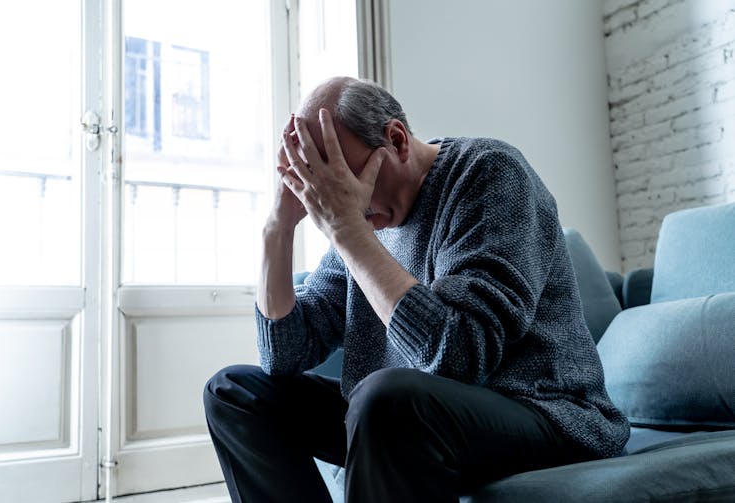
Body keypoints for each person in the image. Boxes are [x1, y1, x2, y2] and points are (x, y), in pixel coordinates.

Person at [203, 76, 629, 503]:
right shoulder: (362, 222)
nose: (344, 199)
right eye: (330, 189)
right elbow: (284, 355)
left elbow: (460, 356)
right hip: (401, 414)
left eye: (350, 181)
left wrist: (348, 230)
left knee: (386, 398)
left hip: (545, 412)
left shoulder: (489, 173)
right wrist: (277, 228)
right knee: (234, 393)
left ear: (397, 139)